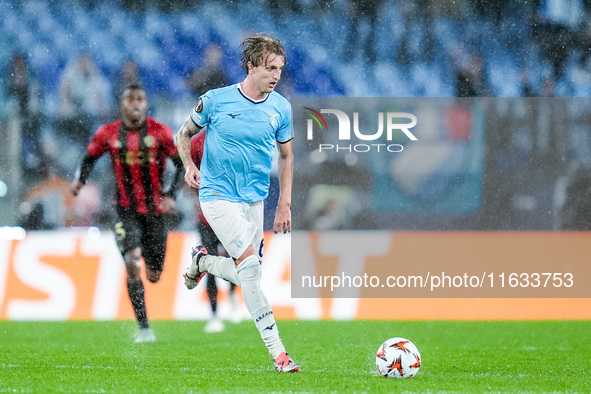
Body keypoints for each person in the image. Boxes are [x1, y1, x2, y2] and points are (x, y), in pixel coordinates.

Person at [175, 33, 298, 372]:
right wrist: (189, 166)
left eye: (280, 69)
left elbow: (287, 157)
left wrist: (284, 204)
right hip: (216, 195)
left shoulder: (280, 108)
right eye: (270, 68)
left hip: (254, 200)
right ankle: (279, 353)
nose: (276, 75)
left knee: (249, 276)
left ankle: (203, 263)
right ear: (251, 66)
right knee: (251, 269)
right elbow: (182, 133)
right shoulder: (215, 100)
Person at [71, 83, 184, 343]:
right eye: (130, 99)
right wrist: (80, 181)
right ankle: (144, 328)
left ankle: (145, 316)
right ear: (122, 104)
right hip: (124, 211)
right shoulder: (108, 133)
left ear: (146, 104)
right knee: (132, 263)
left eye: (140, 99)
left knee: (154, 276)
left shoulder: (161, 132)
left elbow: (180, 166)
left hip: (155, 212)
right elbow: (89, 157)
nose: (135, 103)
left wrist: (170, 195)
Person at [190, 128, 241, 333]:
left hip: (230, 213)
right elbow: (190, 174)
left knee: (235, 259)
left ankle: (231, 296)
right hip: (206, 216)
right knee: (209, 263)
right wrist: (197, 200)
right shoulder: (196, 143)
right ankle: (214, 315)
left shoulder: (233, 138)